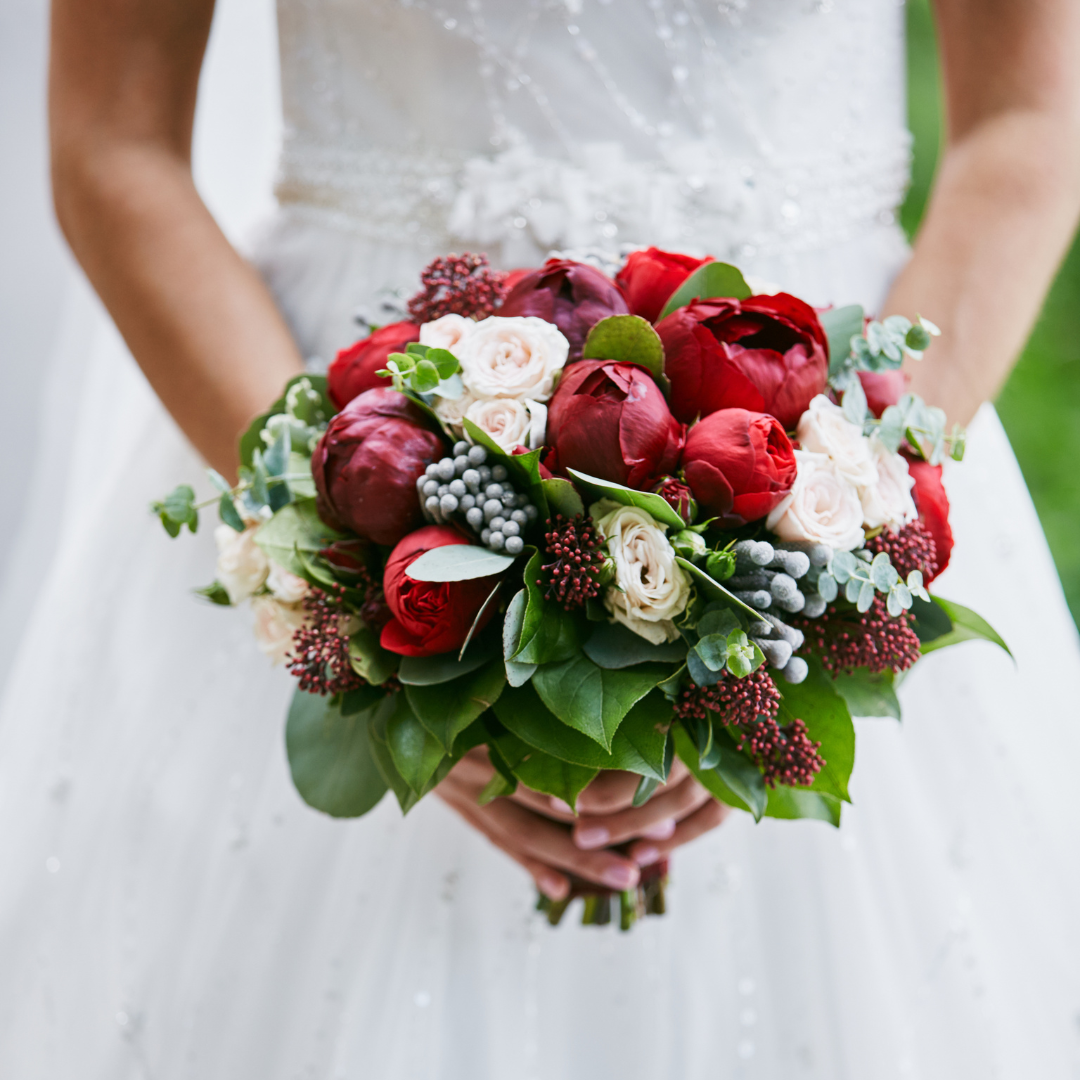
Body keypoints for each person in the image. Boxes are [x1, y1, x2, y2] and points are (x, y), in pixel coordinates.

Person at [1, 0, 1078, 1074]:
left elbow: (1028, 121)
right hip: (344, 414)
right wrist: (372, 598)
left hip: (826, 429)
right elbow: (114, 143)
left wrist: (831, 550)